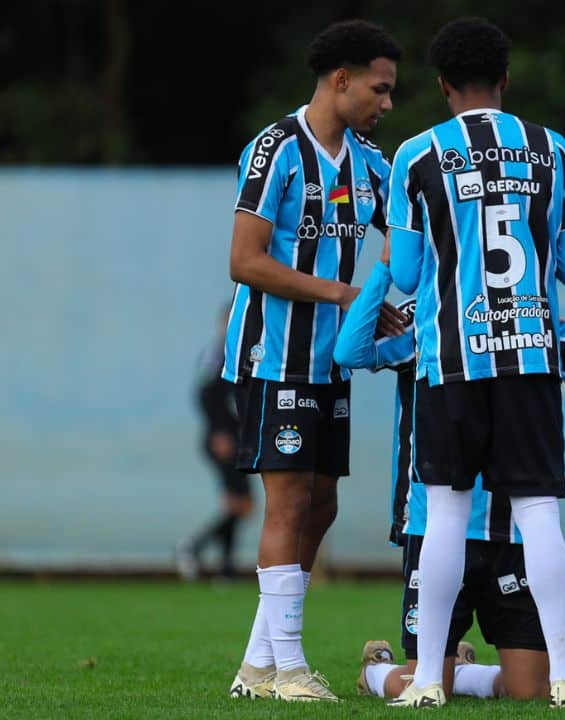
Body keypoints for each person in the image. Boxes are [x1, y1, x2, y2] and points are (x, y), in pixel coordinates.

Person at [385, 16, 565, 708]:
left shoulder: (416, 155)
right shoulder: (552, 149)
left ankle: (425, 682)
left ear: (443, 84)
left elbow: (411, 272)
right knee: (539, 512)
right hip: (531, 359)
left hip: (450, 361)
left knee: (445, 512)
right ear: (505, 80)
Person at [335, 241, 565, 704]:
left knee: (528, 691)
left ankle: (463, 672)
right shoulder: (426, 315)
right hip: (434, 523)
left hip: (511, 532)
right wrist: (386, 264)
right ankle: (378, 671)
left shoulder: (531, 322)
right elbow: (350, 350)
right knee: (427, 683)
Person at [222, 19, 404, 702]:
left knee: (320, 504)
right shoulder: (276, 149)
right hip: (276, 357)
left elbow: (409, 233)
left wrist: (399, 296)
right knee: (290, 501)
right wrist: (346, 293)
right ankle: (291, 667)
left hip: (331, 361)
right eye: (380, 90)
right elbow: (244, 260)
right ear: (341, 80)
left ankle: (256, 665)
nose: (387, 103)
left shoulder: (370, 161)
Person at [177, 305, 253, 582]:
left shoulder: (237, 351)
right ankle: (194, 547)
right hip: (222, 439)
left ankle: (226, 568)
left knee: (236, 503)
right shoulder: (219, 352)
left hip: (234, 437)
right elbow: (205, 394)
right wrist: (220, 431)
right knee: (242, 504)